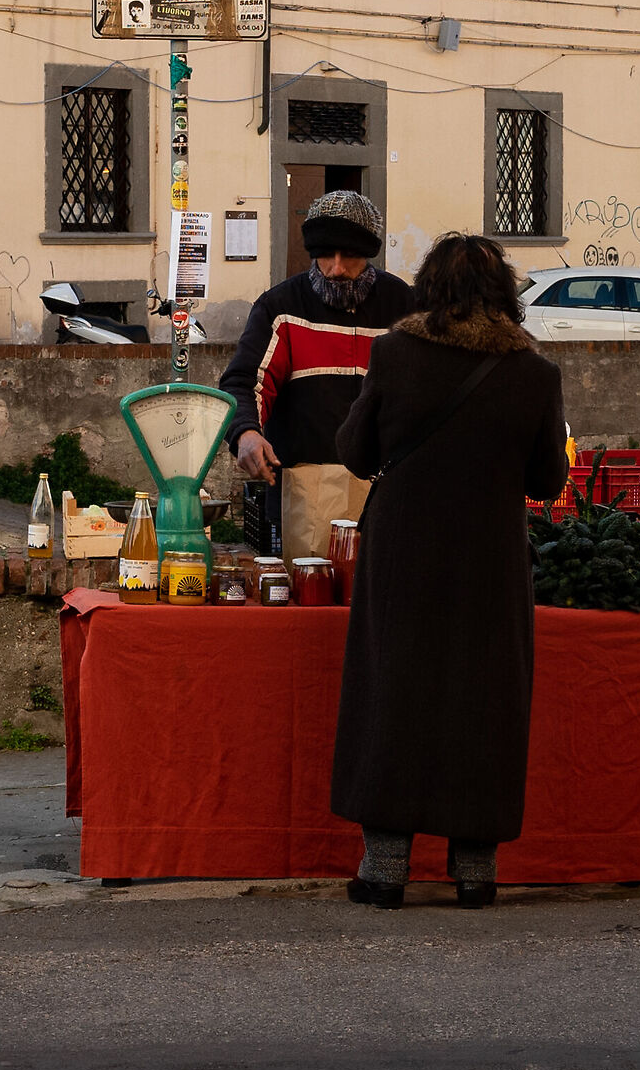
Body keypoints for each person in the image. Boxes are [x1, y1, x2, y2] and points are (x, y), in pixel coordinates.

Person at [330, 233, 570, 909]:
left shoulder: (394, 354)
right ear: (505, 294)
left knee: (394, 691)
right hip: (490, 561)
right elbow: (547, 480)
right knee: (483, 699)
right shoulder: (536, 375)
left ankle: (385, 869)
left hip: (402, 556)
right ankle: (475, 872)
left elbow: (355, 451)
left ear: (429, 290)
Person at [218, 190, 416, 558]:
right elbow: (244, 382)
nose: (336, 268)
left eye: (350, 256)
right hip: (301, 492)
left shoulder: (403, 306)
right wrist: (245, 432)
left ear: (369, 253)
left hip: (387, 493)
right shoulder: (280, 307)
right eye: (326, 254)